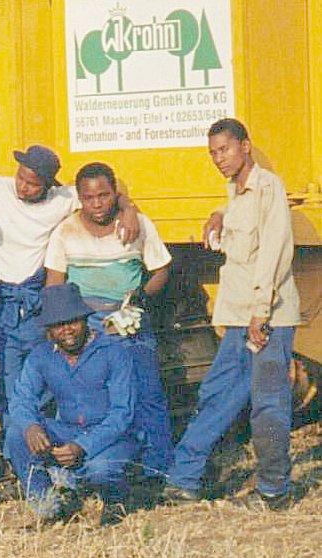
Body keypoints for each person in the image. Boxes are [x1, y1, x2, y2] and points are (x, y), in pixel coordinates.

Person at [0, 149, 139, 437]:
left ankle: (47, 439)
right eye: (21, 177)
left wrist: (128, 208)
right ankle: (15, 445)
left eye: (33, 184)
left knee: (46, 372)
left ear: (49, 184)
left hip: (34, 297)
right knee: (4, 378)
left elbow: (113, 185)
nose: (23, 186)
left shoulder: (62, 199)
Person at [163, 118, 300, 511]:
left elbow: (275, 249)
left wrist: (260, 313)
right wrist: (219, 213)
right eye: (213, 153)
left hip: (266, 314)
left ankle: (275, 491)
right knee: (216, 393)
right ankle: (184, 479)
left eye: (224, 150)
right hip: (241, 315)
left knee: (268, 402)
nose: (218, 159)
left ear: (246, 146)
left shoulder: (268, 186)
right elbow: (240, 218)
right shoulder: (235, 192)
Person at [44, 162, 174, 484]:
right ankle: (83, 472)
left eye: (104, 195)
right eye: (90, 198)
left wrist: (140, 300)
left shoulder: (137, 225)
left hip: (128, 317)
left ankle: (158, 470)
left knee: (146, 393)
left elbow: (160, 270)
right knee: (87, 397)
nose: (98, 204)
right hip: (86, 323)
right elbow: (55, 283)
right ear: (80, 198)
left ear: (115, 193)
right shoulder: (66, 231)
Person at [5, 283, 139, 526]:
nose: (67, 330)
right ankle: (47, 508)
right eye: (58, 324)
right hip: (67, 430)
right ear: (48, 330)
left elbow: (122, 414)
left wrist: (82, 445)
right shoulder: (41, 355)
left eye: (73, 321)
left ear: (86, 320)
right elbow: (21, 399)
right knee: (17, 433)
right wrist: (31, 426)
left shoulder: (113, 352)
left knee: (101, 469)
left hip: (112, 438)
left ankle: (116, 500)